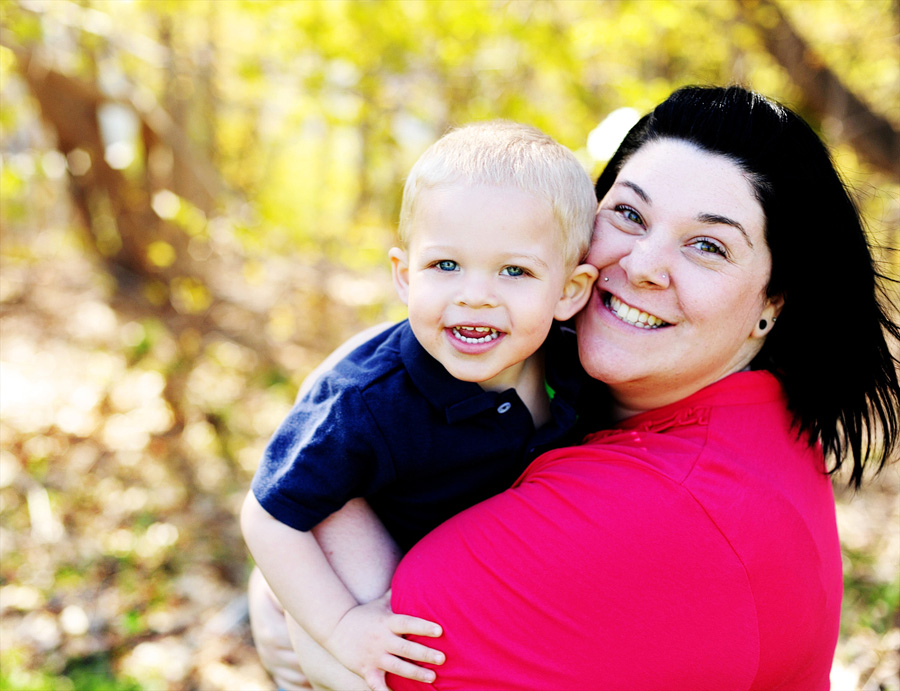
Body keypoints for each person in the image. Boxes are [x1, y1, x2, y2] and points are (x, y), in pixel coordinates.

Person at [380, 86, 900, 690]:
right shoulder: (744, 415)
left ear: (772, 304)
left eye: (708, 246)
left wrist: (289, 583)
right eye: (628, 214)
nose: (643, 264)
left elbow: (393, 642)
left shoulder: (666, 500)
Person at [241, 120, 600, 690]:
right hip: (368, 586)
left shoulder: (578, 368)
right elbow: (268, 516)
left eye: (514, 271)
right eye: (445, 265)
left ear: (569, 292)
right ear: (405, 277)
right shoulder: (367, 402)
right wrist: (342, 626)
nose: (474, 294)